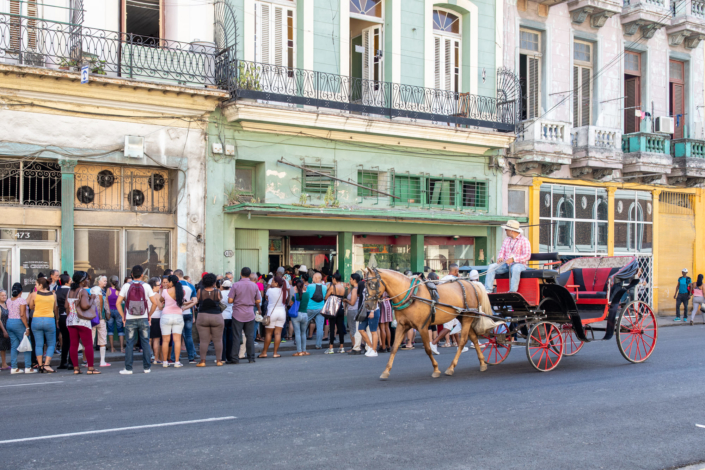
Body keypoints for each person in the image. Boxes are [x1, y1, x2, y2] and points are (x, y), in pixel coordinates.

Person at [117, 265, 159, 375]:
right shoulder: (147, 286)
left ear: (131, 274)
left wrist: (123, 316)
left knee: (130, 344)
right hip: (143, 318)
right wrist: (149, 315)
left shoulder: (126, 286)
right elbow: (154, 303)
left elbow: (118, 303)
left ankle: (128, 368)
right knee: (145, 342)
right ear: (142, 275)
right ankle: (146, 368)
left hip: (130, 319)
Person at [65, 272, 99, 375]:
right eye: (87, 279)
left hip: (71, 320)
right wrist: (92, 298)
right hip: (82, 321)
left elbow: (66, 306)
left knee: (73, 345)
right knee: (88, 344)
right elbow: (85, 306)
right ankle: (90, 368)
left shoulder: (69, 291)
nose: (88, 281)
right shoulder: (82, 291)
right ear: (82, 280)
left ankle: (76, 368)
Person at [484, 220, 531, 293]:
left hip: (519, 265)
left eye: (506, 229)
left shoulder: (524, 240)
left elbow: (527, 256)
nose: (505, 231)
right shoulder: (506, 240)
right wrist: (500, 257)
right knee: (491, 267)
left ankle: (512, 291)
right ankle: (488, 290)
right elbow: (502, 251)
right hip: (506, 265)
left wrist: (513, 259)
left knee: (515, 268)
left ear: (511, 230)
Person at [229, 268, 262, 364]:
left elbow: (230, 300)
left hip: (237, 313)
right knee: (250, 336)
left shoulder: (235, 285)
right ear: (249, 275)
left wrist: (238, 299)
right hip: (249, 313)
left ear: (240, 273)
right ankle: (251, 357)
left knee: (236, 336)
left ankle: (234, 358)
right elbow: (258, 301)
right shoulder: (254, 286)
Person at [28, 277, 58, 373]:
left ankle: (40, 365)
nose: (35, 286)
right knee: (51, 343)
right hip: (49, 320)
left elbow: (31, 306)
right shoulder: (53, 294)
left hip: (36, 320)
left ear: (41, 285)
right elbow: (55, 308)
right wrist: (56, 319)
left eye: (36, 284)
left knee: (38, 344)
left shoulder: (34, 294)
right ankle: (47, 364)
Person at [195, 273, 225, 367]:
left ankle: (203, 361)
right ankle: (219, 360)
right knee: (218, 339)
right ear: (214, 282)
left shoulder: (200, 291)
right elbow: (220, 300)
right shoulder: (217, 292)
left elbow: (197, 301)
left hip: (202, 316)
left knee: (204, 340)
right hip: (216, 316)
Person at [7, 283, 35, 374]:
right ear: (21, 292)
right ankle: (28, 367)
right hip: (19, 323)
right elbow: (22, 315)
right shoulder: (21, 301)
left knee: (14, 345)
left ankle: (14, 367)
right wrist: (27, 327)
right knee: (26, 343)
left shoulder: (8, 300)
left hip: (9, 322)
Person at [259, 275, 287, 358]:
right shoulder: (284, 291)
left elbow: (266, 298)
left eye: (272, 281)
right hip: (282, 313)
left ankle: (264, 352)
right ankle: (275, 353)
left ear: (276, 283)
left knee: (268, 334)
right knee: (278, 333)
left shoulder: (270, 290)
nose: (270, 283)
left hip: (272, 313)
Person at [160, 275, 185, 367]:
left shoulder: (165, 291)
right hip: (178, 316)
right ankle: (177, 362)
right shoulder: (181, 291)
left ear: (171, 282)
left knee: (165, 341)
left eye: (168, 282)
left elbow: (161, 300)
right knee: (177, 340)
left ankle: (165, 362)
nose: (167, 283)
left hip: (166, 316)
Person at [174, 269, 197, 363]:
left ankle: (175, 358)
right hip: (188, 314)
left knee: (176, 336)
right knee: (188, 335)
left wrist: (181, 307)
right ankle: (191, 357)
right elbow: (195, 301)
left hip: (176, 313)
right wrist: (186, 307)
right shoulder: (190, 285)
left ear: (176, 276)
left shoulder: (174, 286)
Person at [324, 273, 347, 354]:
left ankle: (331, 348)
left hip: (333, 309)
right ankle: (341, 347)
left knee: (332, 327)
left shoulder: (332, 287)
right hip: (341, 308)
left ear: (334, 279)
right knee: (340, 328)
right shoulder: (343, 288)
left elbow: (326, 297)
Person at [90, 276, 110, 367]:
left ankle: (90, 362)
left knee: (90, 341)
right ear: (98, 282)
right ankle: (102, 361)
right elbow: (107, 308)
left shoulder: (90, 295)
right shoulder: (103, 294)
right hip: (101, 320)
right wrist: (107, 316)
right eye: (104, 281)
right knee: (102, 341)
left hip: (92, 320)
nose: (105, 282)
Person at [56, 273, 72, 369]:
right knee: (72, 340)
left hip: (61, 316)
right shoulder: (70, 291)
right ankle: (71, 361)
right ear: (68, 281)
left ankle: (63, 361)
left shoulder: (57, 291)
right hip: (69, 316)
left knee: (65, 340)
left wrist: (57, 319)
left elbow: (56, 306)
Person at [289, 279, 310, 357]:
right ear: (303, 286)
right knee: (303, 333)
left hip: (296, 315)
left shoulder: (295, 295)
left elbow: (291, 304)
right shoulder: (307, 294)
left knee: (297, 333)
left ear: (296, 287)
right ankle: (304, 350)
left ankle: (299, 351)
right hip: (305, 315)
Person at [306, 272, 327, 349]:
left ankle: (301, 342)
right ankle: (318, 345)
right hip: (321, 308)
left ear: (315, 278)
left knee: (304, 325)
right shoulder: (324, 287)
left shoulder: (310, 286)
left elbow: (307, 296)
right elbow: (325, 296)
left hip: (310, 308)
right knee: (320, 327)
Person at [106, 276, 124, 353]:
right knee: (120, 330)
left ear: (110, 282)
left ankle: (112, 348)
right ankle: (122, 348)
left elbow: (106, 300)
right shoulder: (119, 290)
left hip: (110, 311)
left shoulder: (108, 290)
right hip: (118, 311)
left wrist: (108, 310)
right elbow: (123, 300)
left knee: (110, 330)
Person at [149, 277, 165, 364]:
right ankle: (156, 358)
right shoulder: (157, 295)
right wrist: (162, 304)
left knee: (148, 339)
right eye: (159, 285)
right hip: (156, 318)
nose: (160, 286)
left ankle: (148, 358)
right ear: (154, 286)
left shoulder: (147, 293)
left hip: (148, 317)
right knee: (156, 339)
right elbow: (159, 307)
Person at [0, 290, 11, 370]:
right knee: (1, 347)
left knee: (3, 347)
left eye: (5, 295)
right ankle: (3, 364)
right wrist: (4, 330)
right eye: (2, 295)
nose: (4, 297)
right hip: (1, 328)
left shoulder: (6, 304)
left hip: (6, 326)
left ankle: (4, 364)